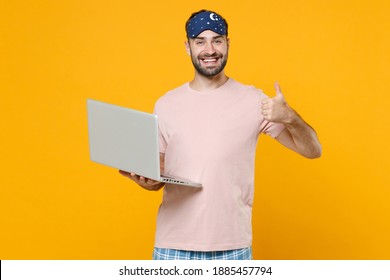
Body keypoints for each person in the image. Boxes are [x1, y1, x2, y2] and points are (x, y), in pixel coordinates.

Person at [119, 9, 322, 260]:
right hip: (172, 246)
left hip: (232, 247)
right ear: (188, 46)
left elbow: (313, 151)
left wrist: (290, 116)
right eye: (200, 41)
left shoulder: (254, 100)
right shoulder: (166, 104)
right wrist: (147, 181)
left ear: (227, 43)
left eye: (217, 40)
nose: (210, 50)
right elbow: (159, 175)